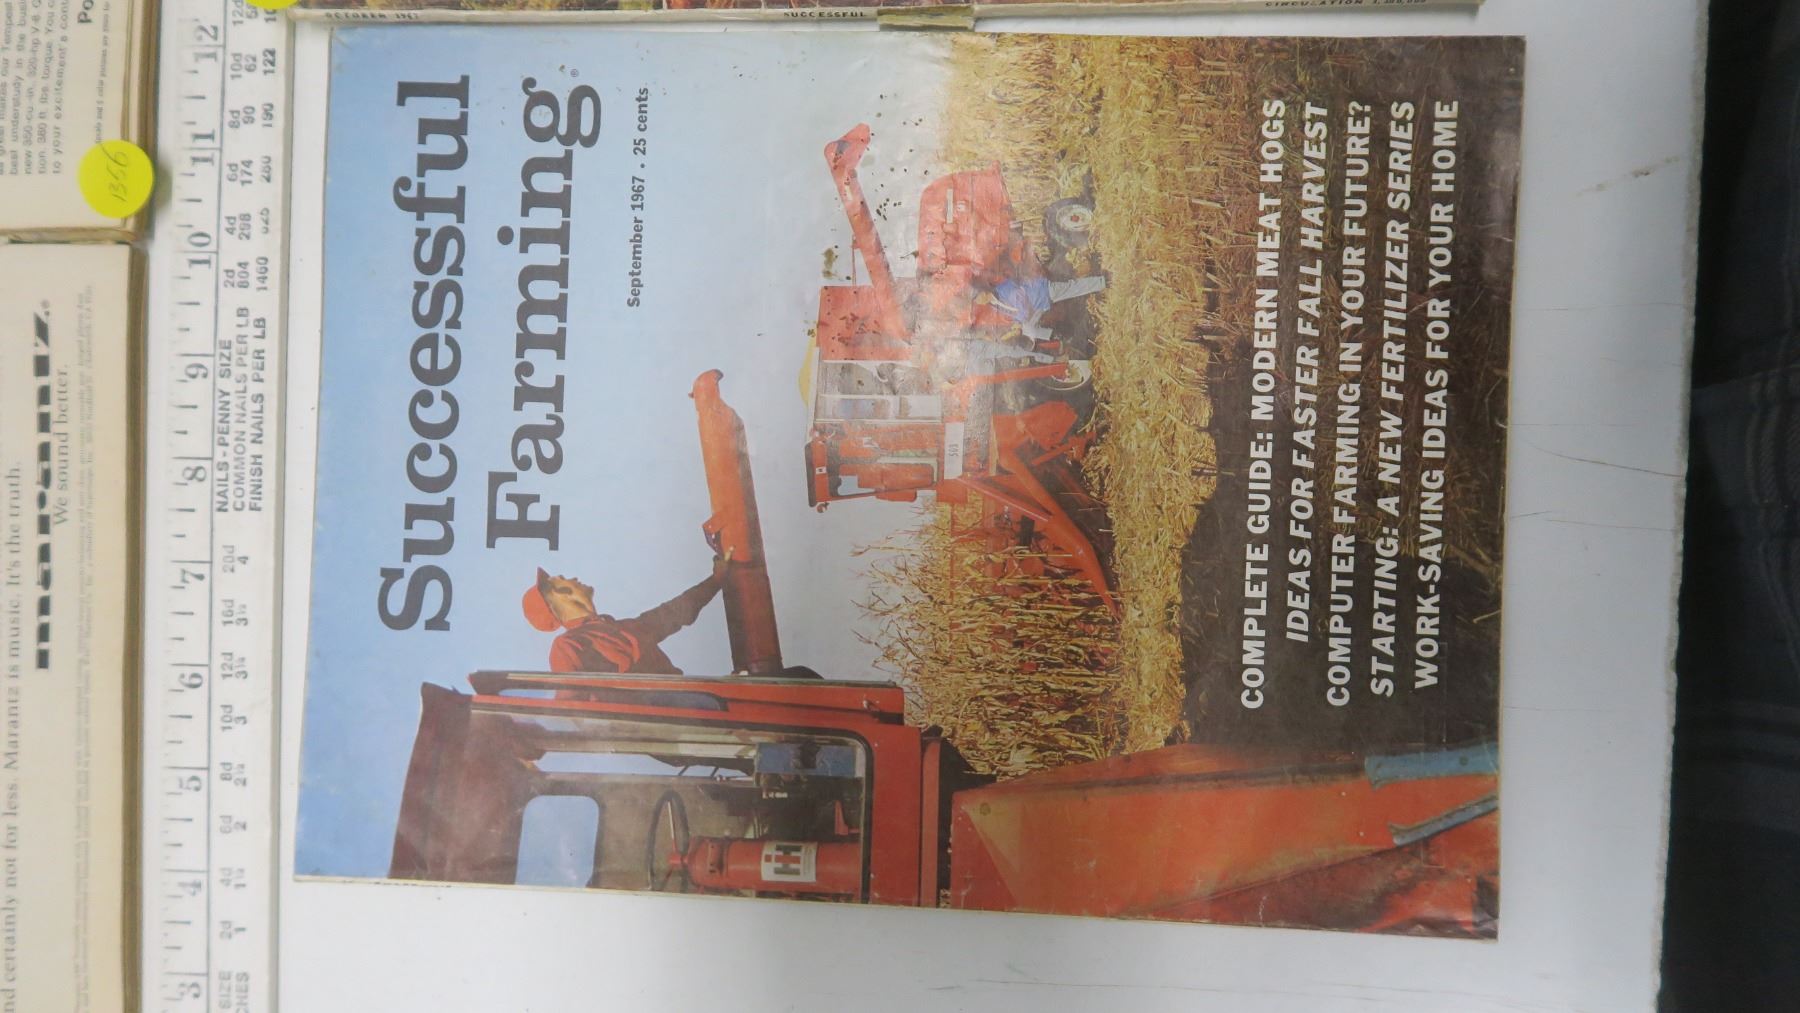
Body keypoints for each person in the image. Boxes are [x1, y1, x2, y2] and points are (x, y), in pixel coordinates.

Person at [521, 560, 724, 675]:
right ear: (561, 594)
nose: (574, 578)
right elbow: (571, 703)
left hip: (690, 704)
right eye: (564, 579)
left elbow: (675, 612)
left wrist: (716, 580)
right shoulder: (567, 645)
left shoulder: (626, 627)